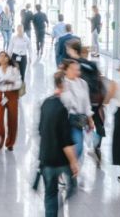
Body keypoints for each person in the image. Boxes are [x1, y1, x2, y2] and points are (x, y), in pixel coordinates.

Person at [38, 71, 79, 217]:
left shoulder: (45, 103)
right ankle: (65, 200)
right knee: (72, 187)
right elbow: (65, 141)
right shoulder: (62, 109)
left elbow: (40, 130)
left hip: (45, 159)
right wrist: (74, 162)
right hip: (60, 161)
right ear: (62, 85)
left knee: (50, 194)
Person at [59, 59, 94, 159]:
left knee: (78, 147)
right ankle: (67, 167)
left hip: (77, 120)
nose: (76, 72)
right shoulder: (62, 83)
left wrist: (90, 119)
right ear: (66, 70)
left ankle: (70, 167)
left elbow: (87, 103)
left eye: (77, 69)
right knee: (64, 145)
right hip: (64, 120)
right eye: (73, 69)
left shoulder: (83, 83)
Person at [0, 51, 22, 151]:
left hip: (12, 94)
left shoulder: (14, 69)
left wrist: (11, 82)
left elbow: (19, 83)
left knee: (13, 119)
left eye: (5, 56)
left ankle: (10, 143)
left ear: (8, 59)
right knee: (0, 118)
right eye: (0, 57)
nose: (3, 58)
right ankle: (1, 140)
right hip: (0, 95)